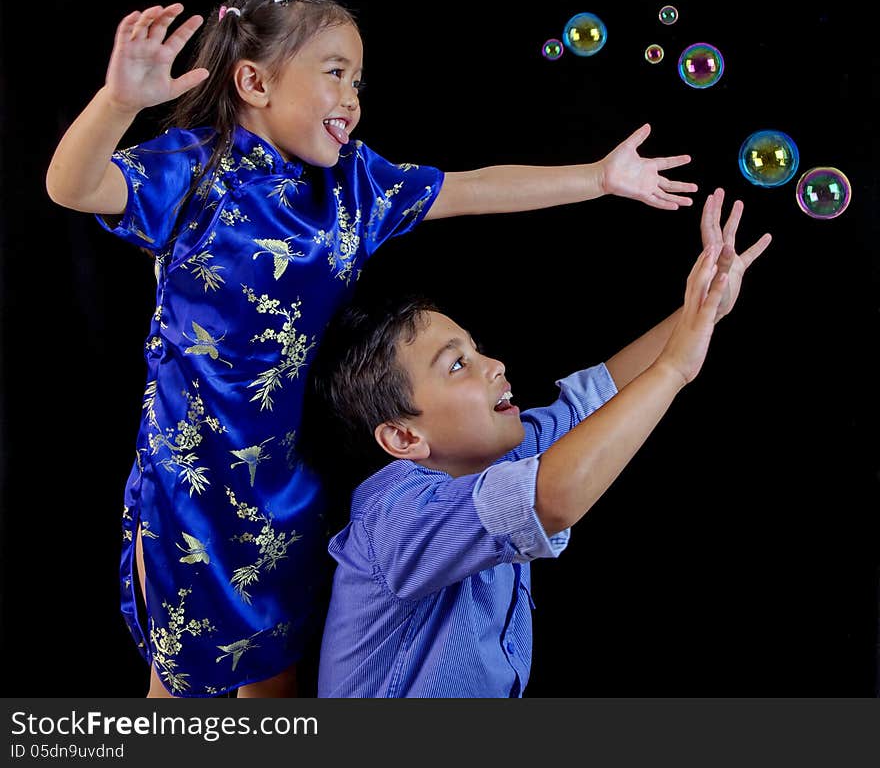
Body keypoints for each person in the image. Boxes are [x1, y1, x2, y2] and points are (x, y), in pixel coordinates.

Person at [45, 0, 699, 699]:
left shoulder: (355, 185)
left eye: (358, 80)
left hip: (290, 485)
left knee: (275, 679)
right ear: (254, 81)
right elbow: (74, 187)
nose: (353, 97)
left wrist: (599, 178)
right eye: (334, 73)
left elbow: (473, 187)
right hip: (192, 480)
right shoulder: (194, 169)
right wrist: (120, 103)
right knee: (182, 683)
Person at [309, 189, 771, 697]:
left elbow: (596, 401)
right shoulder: (393, 517)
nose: (495, 365)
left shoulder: (501, 458)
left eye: (477, 350)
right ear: (403, 436)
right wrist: (675, 368)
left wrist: (702, 312)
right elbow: (550, 499)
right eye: (458, 364)